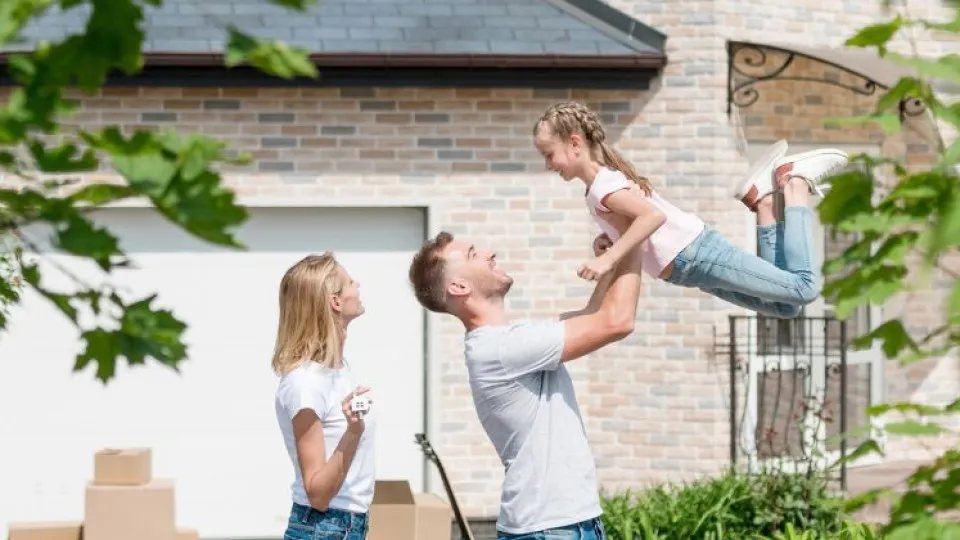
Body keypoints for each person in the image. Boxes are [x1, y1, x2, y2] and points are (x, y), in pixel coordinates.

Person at [407, 230, 646, 539]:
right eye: (472, 254)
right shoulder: (501, 348)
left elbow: (593, 316)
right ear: (458, 286)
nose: (489, 252)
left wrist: (612, 261)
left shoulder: (511, 338)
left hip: (565, 523)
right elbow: (617, 321)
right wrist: (636, 234)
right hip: (551, 528)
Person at [532, 101, 851, 319]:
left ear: (575, 144)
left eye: (549, 154)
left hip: (695, 253)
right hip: (688, 268)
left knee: (804, 288)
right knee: (786, 308)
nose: (548, 165)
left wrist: (608, 258)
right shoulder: (597, 188)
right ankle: (763, 201)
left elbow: (652, 217)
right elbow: (637, 222)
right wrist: (609, 240)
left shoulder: (603, 185)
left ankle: (795, 186)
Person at [272, 253, 376, 540]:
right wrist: (353, 431)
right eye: (351, 281)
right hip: (325, 527)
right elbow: (317, 493)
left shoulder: (338, 369)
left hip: (346, 525)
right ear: (336, 301)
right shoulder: (305, 383)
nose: (358, 284)